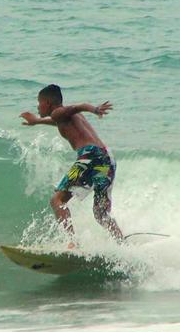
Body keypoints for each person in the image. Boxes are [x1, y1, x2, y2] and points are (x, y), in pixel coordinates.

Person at [20, 84, 124, 246]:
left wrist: (94, 109)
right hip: (105, 159)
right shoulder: (63, 118)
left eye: (39, 102)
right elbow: (56, 121)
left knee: (57, 200)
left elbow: (78, 106)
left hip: (89, 155)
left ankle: (72, 243)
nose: (37, 106)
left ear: (47, 103)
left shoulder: (58, 112)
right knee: (101, 214)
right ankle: (123, 245)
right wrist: (37, 121)